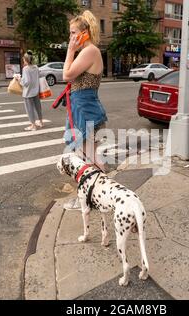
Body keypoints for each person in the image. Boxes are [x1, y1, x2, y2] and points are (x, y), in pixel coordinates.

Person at [62, 10, 108, 210]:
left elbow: (67, 75)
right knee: (89, 156)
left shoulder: (89, 51)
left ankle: (88, 199)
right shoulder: (89, 51)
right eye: (70, 33)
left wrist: (70, 51)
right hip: (84, 108)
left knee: (86, 159)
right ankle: (99, 196)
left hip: (85, 110)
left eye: (73, 33)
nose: (71, 37)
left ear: (85, 32)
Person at [15, 52, 44, 131]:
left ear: (26, 59)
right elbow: (39, 76)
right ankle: (41, 122)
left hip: (28, 92)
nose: (23, 60)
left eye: (23, 59)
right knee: (38, 107)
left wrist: (19, 79)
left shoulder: (26, 69)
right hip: (36, 91)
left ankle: (33, 125)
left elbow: (26, 82)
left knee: (29, 109)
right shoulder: (36, 67)